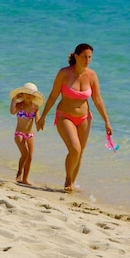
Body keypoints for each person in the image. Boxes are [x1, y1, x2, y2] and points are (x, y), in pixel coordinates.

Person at [37, 43, 113, 192]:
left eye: (90, 57)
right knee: (75, 149)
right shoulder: (64, 73)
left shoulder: (92, 75)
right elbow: (53, 95)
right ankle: (68, 180)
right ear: (76, 56)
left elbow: (97, 99)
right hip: (65, 116)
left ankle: (71, 183)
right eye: (84, 56)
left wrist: (107, 121)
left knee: (80, 152)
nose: (88, 60)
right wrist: (43, 116)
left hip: (84, 118)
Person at [9, 82, 44, 185]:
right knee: (25, 153)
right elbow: (12, 111)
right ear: (22, 94)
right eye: (26, 93)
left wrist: (40, 123)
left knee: (30, 157)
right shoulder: (19, 105)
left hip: (30, 135)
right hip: (19, 133)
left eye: (31, 94)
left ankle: (25, 179)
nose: (28, 96)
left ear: (34, 96)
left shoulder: (35, 107)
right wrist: (14, 100)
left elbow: (37, 120)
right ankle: (19, 172)